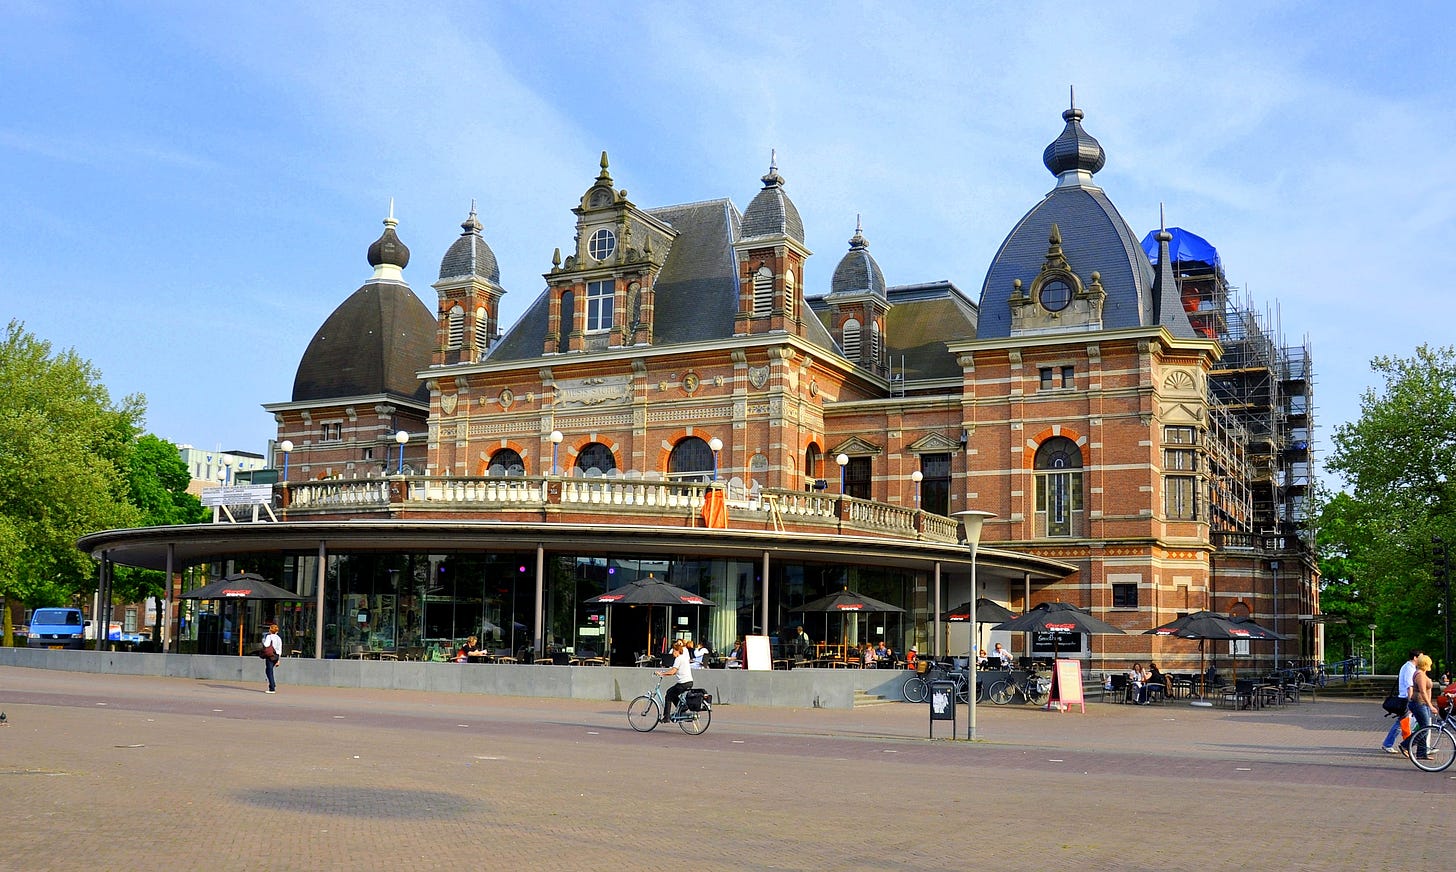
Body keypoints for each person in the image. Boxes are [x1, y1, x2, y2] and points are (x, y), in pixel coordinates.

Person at [1383, 648, 1422, 754]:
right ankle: (1390, 744)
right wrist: (1410, 701)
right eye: (1420, 657)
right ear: (1415, 657)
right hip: (1406, 698)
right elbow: (1410, 686)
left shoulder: (1407, 666)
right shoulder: (1410, 668)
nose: (1421, 659)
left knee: (1403, 722)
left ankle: (1419, 745)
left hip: (1404, 698)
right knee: (1402, 723)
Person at [1401, 653, 1436, 759]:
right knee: (1425, 728)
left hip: (1421, 704)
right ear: (1426, 664)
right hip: (1419, 703)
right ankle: (1406, 745)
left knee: (1423, 727)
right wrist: (1431, 706)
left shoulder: (1422, 673)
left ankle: (1422, 753)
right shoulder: (1420, 675)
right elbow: (1423, 692)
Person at [657, 638, 694, 722]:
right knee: (672, 693)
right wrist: (666, 673)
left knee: (669, 695)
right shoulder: (684, 658)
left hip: (683, 683)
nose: (672, 653)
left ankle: (666, 717)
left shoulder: (678, 659)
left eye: (673, 651)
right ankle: (682, 707)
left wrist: (662, 674)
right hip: (689, 682)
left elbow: (673, 671)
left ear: (677, 651)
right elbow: (674, 671)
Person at [261, 623, 283, 694]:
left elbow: (266, 645)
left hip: (270, 655)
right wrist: (278, 660)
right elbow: (280, 649)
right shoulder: (279, 638)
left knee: (269, 671)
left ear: (270, 630)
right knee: (269, 670)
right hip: (276, 656)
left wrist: (263, 639)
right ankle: (272, 684)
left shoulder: (269, 637)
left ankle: (272, 687)